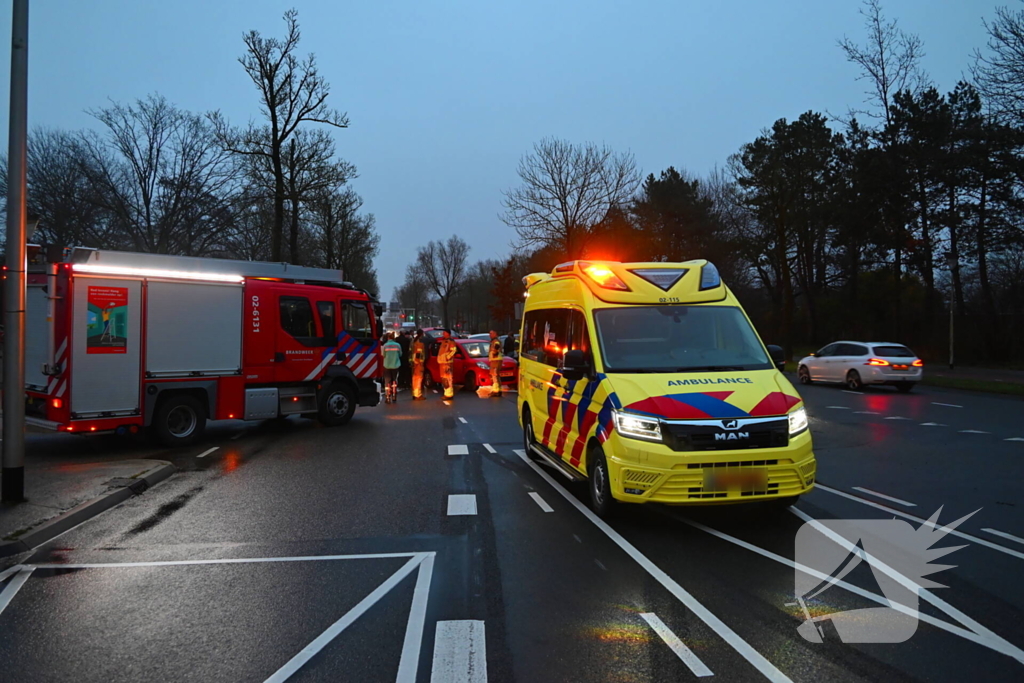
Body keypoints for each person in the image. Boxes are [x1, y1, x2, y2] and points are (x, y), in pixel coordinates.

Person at [382, 332, 403, 403]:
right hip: (395, 365)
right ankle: (394, 395)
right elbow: (400, 354)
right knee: (394, 380)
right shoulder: (397, 345)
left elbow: (383, 355)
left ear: (388, 338)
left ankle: (388, 397)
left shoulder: (385, 345)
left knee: (387, 381)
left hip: (387, 365)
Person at [437, 329, 458, 400]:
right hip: (442, 362)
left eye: (444, 332)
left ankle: (449, 394)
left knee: (448, 378)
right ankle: (446, 393)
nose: (443, 334)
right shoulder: (444, 341)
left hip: (447, 363)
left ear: (448, 333)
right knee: (444, 379)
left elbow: (454, 350)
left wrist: (447, 357)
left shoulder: (450, 341)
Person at [410, 330, 427, 400]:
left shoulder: (413, 341)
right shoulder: (419, 343)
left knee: (414, 379)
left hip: (414, 363)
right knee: (418, 379)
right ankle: (418, 395)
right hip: (418, 364)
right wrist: (419, 362)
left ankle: (414, 393)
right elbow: (418, 353)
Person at [488, 330, 504, 396]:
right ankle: (499, 389)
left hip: (495, 360)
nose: (490, 335)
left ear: (495, 334)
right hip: (497, 359)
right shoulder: (495, 341)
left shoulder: (495, 341)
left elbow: (497, 346)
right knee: (496, 375)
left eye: (491, 333)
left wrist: (494, 352)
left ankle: (496, 391)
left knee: (494, 375)